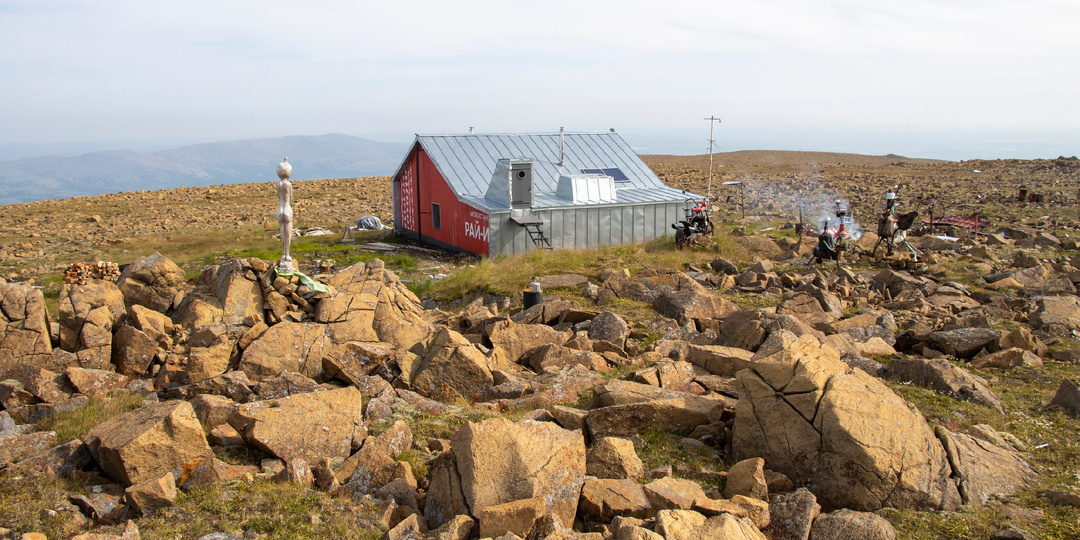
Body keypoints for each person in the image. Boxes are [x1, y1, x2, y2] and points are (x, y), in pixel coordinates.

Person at [276, 157, 294, 271]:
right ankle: (287, 254)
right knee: (288, 234)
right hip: (287, 208)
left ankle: (283, 254)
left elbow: (279, 196)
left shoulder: (278, 184)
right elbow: (290, 198)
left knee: (282, 233)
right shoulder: (288, 184)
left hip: (280, 209)